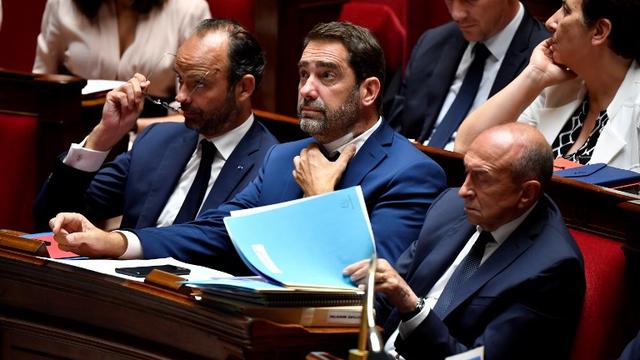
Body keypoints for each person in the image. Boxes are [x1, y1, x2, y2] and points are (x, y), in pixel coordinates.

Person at [48, 21, 447, 273]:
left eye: (327, 76)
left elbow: (369, 291)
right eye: (303, 74)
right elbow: (216, 232)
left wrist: (320, 199)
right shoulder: (283, 158)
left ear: (368, 91)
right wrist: (117, 242)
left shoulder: (409, 173)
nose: (308, 89)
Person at [345, 123, 585, 359]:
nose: (462, 191)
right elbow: (385, 298)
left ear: (526, 193)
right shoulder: (450, 208)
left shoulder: (553, 268)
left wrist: (412, 307)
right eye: (466, 172)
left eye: (481, 178)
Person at [33, 19, 278, 232]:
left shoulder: (272, 168)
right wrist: (104, 136)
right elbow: (50, 217)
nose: (180, 96)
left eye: (199, 84)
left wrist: (120, 242)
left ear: (244, 88)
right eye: (180, 79)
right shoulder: (156, 141)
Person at [455, 0, 640, 172]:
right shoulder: (559, 86)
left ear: (599, 31)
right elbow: (467, 149)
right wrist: (535, 74)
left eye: (566, 11)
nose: (550, 22)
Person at [385, 0, 548, 149]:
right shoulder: (431, 43)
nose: (457, 14)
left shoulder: (545, 61)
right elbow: (395, 129)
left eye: (470, 0)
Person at [33, 0, 210, 102]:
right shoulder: (63, 3)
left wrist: (128, 127)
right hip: (72, 127)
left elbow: (193, 108)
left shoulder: (189, 9)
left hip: (152, 135)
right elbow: (40, 84)